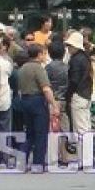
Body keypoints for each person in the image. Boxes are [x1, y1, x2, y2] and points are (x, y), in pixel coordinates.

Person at [18, 44, 59, 172]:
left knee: (29, 133)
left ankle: (22, 161)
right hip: (37, 101)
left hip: (24, 100)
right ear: (39, 54)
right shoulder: (39, 68)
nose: (45, 56)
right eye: (44, 53)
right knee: (41, 134)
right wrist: (54, 104)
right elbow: (46, 88)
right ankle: (38, 164)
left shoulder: (22, 68)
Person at [45, 41, 70, 165]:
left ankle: (53, 157)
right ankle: (64, 156)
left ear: (49, 53)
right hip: (65, 101)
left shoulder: (48, 68)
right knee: (64, 129)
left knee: (53, 129)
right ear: (64, 52)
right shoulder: (67, 67)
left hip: (52, 101)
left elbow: (45, 85)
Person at [66, 32, 92, 140]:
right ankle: (88, 154)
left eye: (69, 46)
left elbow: (74, 80)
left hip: (78, 95)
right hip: (86, 95)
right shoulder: (85, 57)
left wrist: (69, 94)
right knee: (86, 127)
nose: (68, 48)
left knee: (80, 130)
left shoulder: (75, 60)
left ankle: (85, 156)